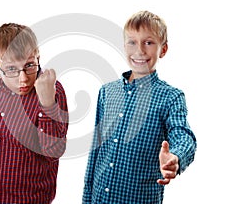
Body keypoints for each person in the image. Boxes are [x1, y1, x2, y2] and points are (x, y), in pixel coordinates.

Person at [82, 11, 197, 203]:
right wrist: (87, 198)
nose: (140, 50)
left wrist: (175, 158)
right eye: (132, 42)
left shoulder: (170, 97)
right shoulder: (106, 92)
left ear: (163, 49)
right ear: (124, 45)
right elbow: (96, 152)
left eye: (149, 42)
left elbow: (183, 135)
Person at [0, 23, 69, 204]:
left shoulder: (53, 90)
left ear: (38, 58)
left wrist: (47, 103)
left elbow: (54, 152)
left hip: (27, 199)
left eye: (29, 65)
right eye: (11, 69)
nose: (23, 78)